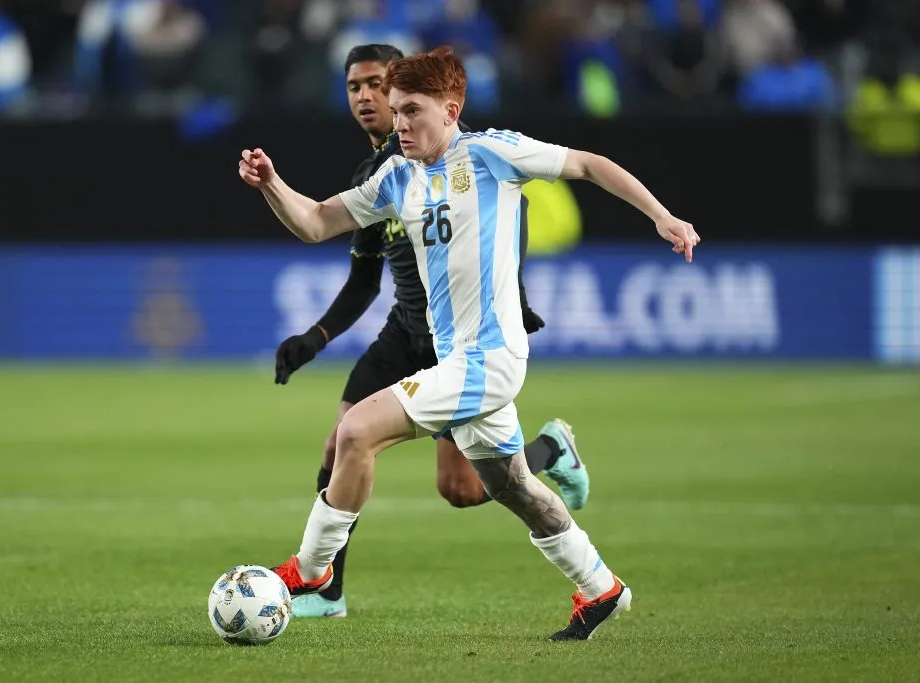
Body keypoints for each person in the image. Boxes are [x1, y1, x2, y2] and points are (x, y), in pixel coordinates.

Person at [239, 46, 699, 641]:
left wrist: (662, 216)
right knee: (512, 488)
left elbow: (588, 164)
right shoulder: (397, 178)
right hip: (457, 358)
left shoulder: (490, 153)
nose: (400, 123)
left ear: (450, 110)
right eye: (396, 111)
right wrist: (272, 184)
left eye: (412, 110)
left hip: (489, 357)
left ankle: (310, 571)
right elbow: (316, 222)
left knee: (355, 431)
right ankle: (601, 587)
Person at [273, 44, 589, 619]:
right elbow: (355, 271)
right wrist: (316, 335)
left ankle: (551, 450)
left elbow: (505, 222)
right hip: (405, 333)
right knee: (346, 441)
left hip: (466, 345)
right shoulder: (382, 178)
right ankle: (327, 590)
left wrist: (514, 298)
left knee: (461, 488)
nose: (368, 99)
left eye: (379, 86)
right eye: (355, 87)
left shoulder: (477, 157)